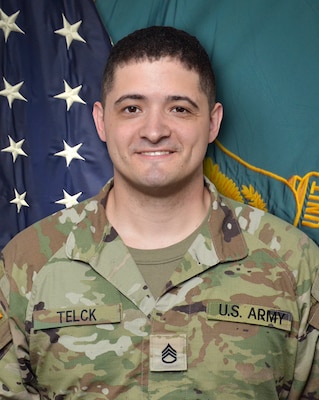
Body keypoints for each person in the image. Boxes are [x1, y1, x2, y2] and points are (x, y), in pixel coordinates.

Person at [0, 26, 319, 400]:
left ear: (213, 122)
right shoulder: (28, 263)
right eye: (132, 108)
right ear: (101, 121)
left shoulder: (292, 263)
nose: (154, 131)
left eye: (179, 109)